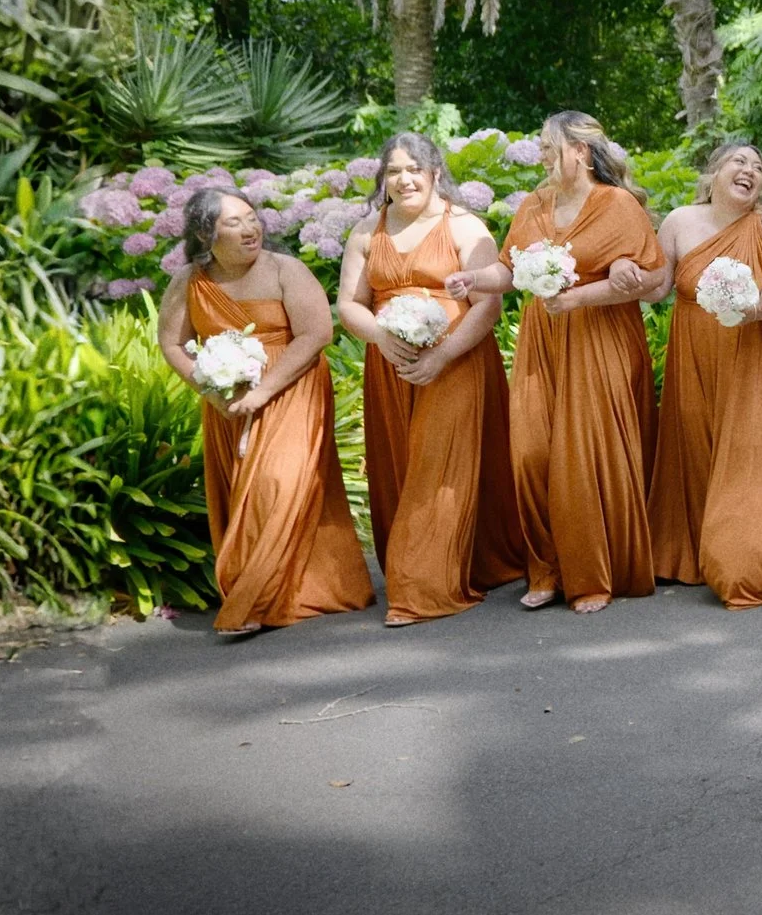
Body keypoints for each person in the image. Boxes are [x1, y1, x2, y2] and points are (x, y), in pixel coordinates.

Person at [448, 110, 666, 615]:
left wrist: (580, 298)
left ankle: (591, 574)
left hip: (601, 340)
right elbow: (508, 270)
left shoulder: (618, 205)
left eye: (548, 146)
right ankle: (545, 565)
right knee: (531, 452)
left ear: (580, 152)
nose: (542, 155)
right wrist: (472, 282)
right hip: (541, 340)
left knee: (585, 455)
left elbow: (651, 279)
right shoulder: (534, 203)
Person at [159, 189, 373, 635]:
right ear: (205, 233)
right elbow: (172, 344)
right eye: (233, 222)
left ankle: (255, 598)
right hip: (228, 400)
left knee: (277, 482)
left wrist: (264, 391)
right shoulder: (188, 281)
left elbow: (316, 334)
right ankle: (276, 589)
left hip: (293, 388)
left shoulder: (284, 270)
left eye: (252, 218)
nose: (250, 229)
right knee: (244, 492)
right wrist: (208, 386)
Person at [335, 132, 524, 626]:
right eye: (394, 170)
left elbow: (489, 304)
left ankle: (423, 588)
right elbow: (348, 304)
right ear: (384, 179)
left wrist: (442, 356)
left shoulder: (463, 226)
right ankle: (447, 560)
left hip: (456, 362)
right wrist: (379, 335)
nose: (404, 179)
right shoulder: (365, 231)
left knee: (438, 470)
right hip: (390, 365)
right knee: (404, 465)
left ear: (435, 172)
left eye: (414, 168)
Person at [649, 140, 762, 608]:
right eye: (738, 161)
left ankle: (746, 558)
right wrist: (620, 271)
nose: (749, 170)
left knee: (748, 452)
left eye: (758, 167)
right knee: (696, 447)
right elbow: (658, 286)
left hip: (756, 357)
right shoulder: (680, 222)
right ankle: (692, 554)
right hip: (695, 356)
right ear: (714, 173)